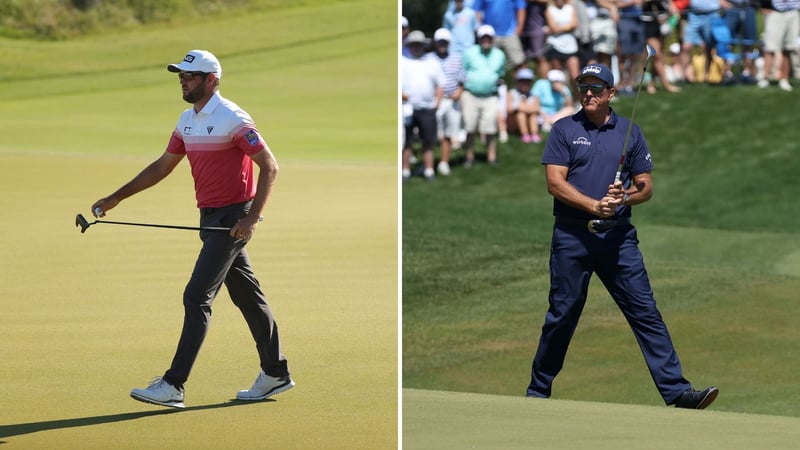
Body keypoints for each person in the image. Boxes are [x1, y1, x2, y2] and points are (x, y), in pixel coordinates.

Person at [91, 50, 292, 408]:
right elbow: (162, 166)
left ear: (211, 79)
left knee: (196, 296)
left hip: (232, 218)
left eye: (191, 75)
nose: (183, 80)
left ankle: (174, 384)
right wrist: (115, 198)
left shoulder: (232, 117)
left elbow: (270, 166)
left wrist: (250, 219)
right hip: (210, 219)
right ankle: (275, 372)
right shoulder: (187, 120)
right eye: (181, 75)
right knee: (247, 296)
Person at [525, 63, 719, 410]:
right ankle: (538, 390)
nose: (588, 93)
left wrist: (624, 197)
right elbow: (555, 183)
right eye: (583, 86)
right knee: (563, 314)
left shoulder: (630, 132)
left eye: (596, 88)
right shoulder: (564, 130)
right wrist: (593, 205)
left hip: (618, 240)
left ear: (611, 94)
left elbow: (646, 187)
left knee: (645, 311)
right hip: (573, 237)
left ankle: (677, 392)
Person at [402, 31, 445, 181]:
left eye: (418, 45)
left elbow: (440, 84)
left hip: (427, 108)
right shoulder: (403, 62)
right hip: (407, 108)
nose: (416, 48)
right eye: (413, 45)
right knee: (406, 141)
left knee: (428, 141)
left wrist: (437, 102)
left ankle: (428, 170)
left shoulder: (432, 62)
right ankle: (405, 171)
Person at [461, 24, 506, 166]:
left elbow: (501, 73)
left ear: (492, 39)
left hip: (491, 96)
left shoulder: (499, 55)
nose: (485, 40)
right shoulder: (470, 53)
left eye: (488, 38)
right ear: (479, 39)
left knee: (490, 128)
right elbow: (463, 72)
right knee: (470, 128)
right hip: (471, 95)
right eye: (483, 38)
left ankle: (491, 157)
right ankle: (469, 157)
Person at [432, 28, 466, 176]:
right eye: (440, 42)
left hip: (452, 100)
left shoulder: (456, 58)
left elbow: (462, 78)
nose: (442, 45)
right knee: (433, 134)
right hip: (435, 101)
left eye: (445, 42)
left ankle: (444, 162)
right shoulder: (429, 59)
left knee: (448, 133)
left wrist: (459, 91)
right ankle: (430, 163)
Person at [473, 0, 529, 70]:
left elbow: (521, 8)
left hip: (510, 33)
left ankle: (522, 79)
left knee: (519, 62)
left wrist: (519, 27)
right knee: (487, 62)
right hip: (489, 35)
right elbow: (476, 11)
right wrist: (482, 28)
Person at [757, 0, 799, 91]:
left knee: (788, 49)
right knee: (769, 47)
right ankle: (765, 78)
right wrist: (764, 4)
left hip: (792, 11)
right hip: (775, 11)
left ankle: (784, 80)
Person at [544, 0, 583, 98]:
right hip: (555, 45)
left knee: (575, 76)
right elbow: (554, 28)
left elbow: (575, 24)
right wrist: (568, 27)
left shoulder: (570, 8)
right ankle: (563, 99)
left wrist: (560, 28)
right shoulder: (549, 10)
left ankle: (578, 99)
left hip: (570, 45)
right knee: (558, 76)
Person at [642, 0, 682, 93]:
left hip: (661, 25)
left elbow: (672, 8)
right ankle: (666, 84)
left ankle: (651, 84)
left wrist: (673, 14)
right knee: (657, 55)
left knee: (657, 57)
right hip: (648, 24)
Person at [680, 0, 720, 83]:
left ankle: (707, 75)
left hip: (711, 14)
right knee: (686, 47)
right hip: (694, 15)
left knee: (709, 47)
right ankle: (683, 76)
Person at [721, 0, 758, 84]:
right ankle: (728, 73)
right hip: (731, 8)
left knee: (748, 43)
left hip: (748, 7)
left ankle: (746, 73)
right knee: (728, 42)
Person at [507, 67, 542, 143]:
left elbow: (537, 109)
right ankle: (524, 134)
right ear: (518, 82)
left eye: (528, 81)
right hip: (514, 123)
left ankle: (534, 134)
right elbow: (509, 109)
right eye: (522, 81)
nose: (525, 84)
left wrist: (522, 107)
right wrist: (522, 108)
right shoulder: (512, 93)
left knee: (533, 115)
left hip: (530, 120)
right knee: (521, 114)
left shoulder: (534, 95)